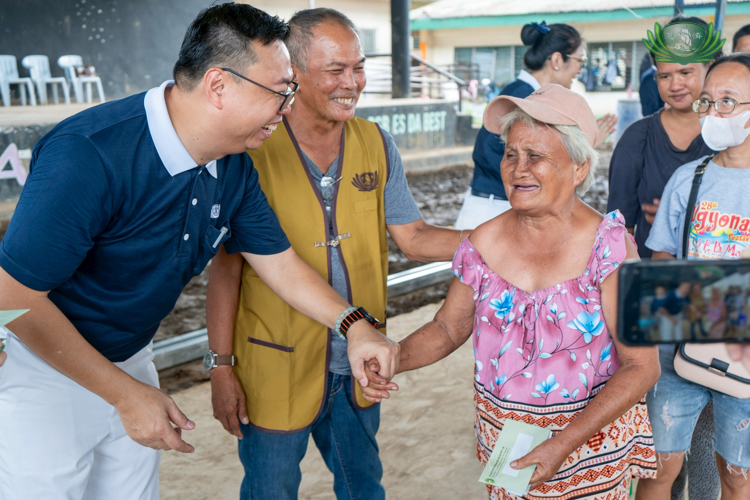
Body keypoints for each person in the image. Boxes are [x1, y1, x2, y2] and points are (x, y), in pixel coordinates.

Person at [0, 5, 399, 499]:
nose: (286, 108)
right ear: (218, 86)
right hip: (48, 368)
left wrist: (354, 325)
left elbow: (280, 266)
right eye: (280, 91)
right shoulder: (89, 154)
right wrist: (125, 395)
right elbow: (11, 296)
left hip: (131, 357)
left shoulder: (233, 164)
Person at [205, 9, 463, 500]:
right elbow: (227, 268)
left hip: (361, 363)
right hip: (274, 364)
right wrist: (220, 366)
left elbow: (413, 236)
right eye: (335, 70)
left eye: (359, 67)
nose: (353, 83)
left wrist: (503, 236)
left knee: (364, 485)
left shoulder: (375, 143)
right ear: (293, 75)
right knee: (269, 490)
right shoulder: (252, 150)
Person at [364, 84, 660, 500]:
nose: (518, 169)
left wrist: (562, 442)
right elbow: (448, 329)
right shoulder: (483, 243)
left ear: (578, 168)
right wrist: (394, 358)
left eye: (536, 156)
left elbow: (642, 367)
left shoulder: (610, 248)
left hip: (589, 452)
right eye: (511, 154)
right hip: (506, 445)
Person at [638, 52, 750, 500]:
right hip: (677, 349)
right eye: (708, 101)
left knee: (738, 477)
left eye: (728, 101)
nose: (712, 112)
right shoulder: (690, 178)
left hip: (745, 356)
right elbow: (661, 259)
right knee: (657, 470)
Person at [455, 21, 616, 230]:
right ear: (557, 59)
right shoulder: (527, 100)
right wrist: (586, 144)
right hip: (495, 210)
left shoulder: (522, 92)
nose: (580, 69)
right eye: (581, 60)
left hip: (491, 205)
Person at [608, 16, 719, 259]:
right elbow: (619, 230)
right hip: (653, 278)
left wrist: (687, 215)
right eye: (664, 75)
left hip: (721, 284)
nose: (675, 85)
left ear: (710, 67)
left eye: (685, 72)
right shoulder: (637, 138)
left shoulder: (733, 137)